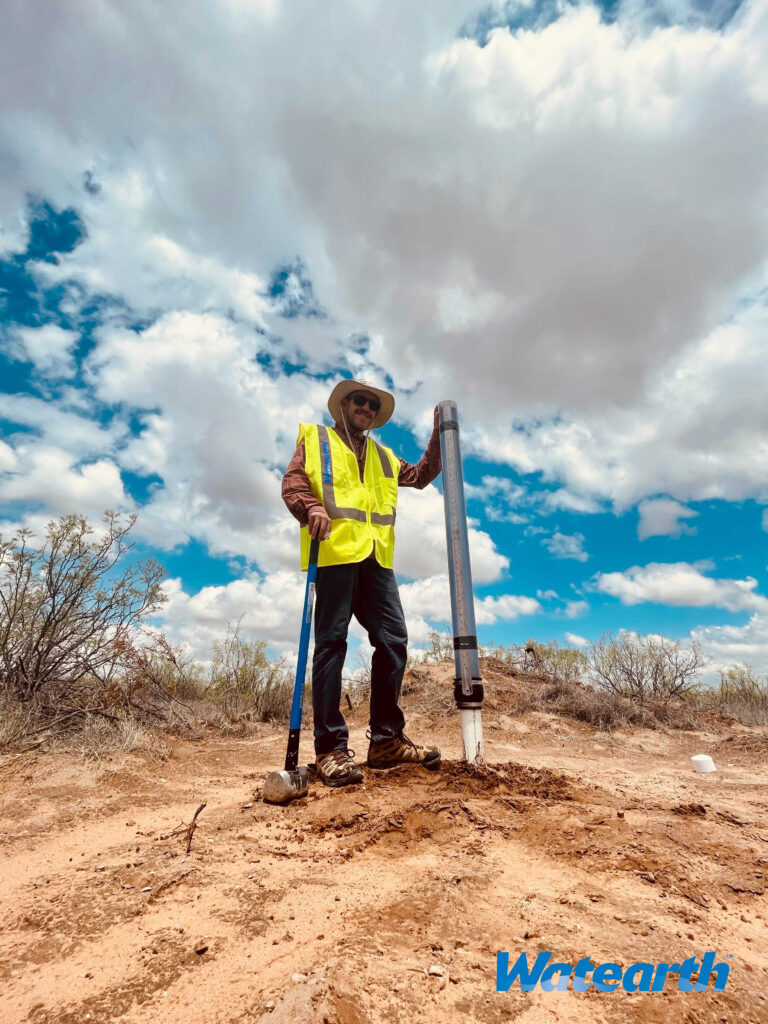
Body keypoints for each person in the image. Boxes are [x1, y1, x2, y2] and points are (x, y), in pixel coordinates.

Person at [282, 378, 443, 788]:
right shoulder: (316, 440)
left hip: (376, 560)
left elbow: (423, 475)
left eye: (373, 404)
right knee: (332, 644)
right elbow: (294, 482)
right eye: (360, 400)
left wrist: (440, 435)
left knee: (394, 640)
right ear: (344, 405)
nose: (367, 408)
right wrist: (311, 506)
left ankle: (386, 741)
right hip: (335, 554)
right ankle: (330, 750)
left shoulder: (384, 456)